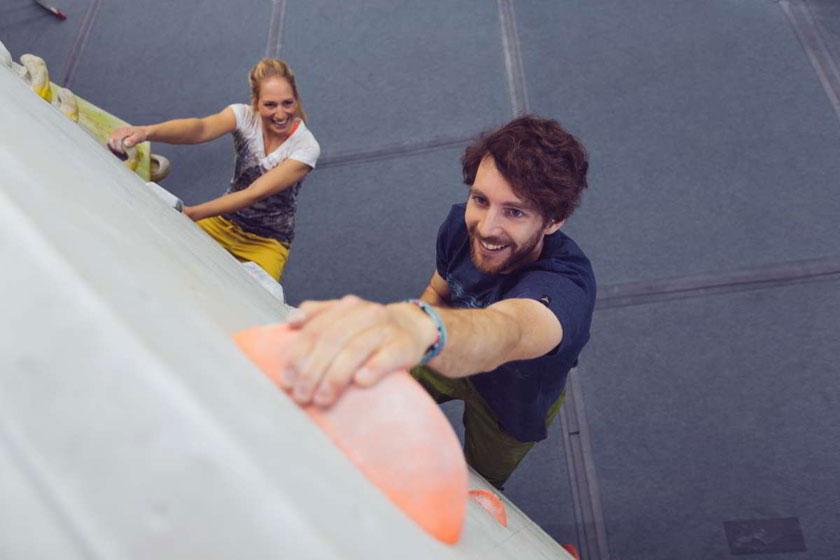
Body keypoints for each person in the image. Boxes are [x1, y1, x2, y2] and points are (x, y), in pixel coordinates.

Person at [279, 116, 595, 489]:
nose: (487, 227)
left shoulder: (568, 287)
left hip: (509, 404)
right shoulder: (461, 227)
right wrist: (415, 320)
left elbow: (510, 330)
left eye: (515, 211)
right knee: (364, 404)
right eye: (480, 200)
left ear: (554, 221)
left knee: (479, 483)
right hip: (436, 347)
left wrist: (425, 327)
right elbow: (439, 291)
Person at [108, 58, 320, 281]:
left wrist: (192, 214)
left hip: (267, 242)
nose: (280, 114)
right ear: (256, 103)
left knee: (255, 306)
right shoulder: (243, 116)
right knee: (162, 254)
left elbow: (255, 192)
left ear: (296, 100)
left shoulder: (306, 147)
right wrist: (146, 131)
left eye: (287, 103)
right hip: (222, 221)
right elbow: (201, 129)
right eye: (270, 105)